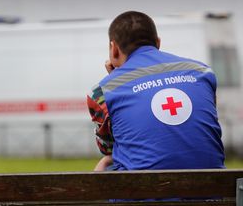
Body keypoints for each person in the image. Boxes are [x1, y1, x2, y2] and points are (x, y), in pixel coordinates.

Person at [87, 11, 225, 171]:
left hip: (142, 194)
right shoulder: (203, 72)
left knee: (106, 164)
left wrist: (117, 78)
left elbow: (108, 149)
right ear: (158, 43)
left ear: (114, 48)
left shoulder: (103, 90)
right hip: (211, 190)